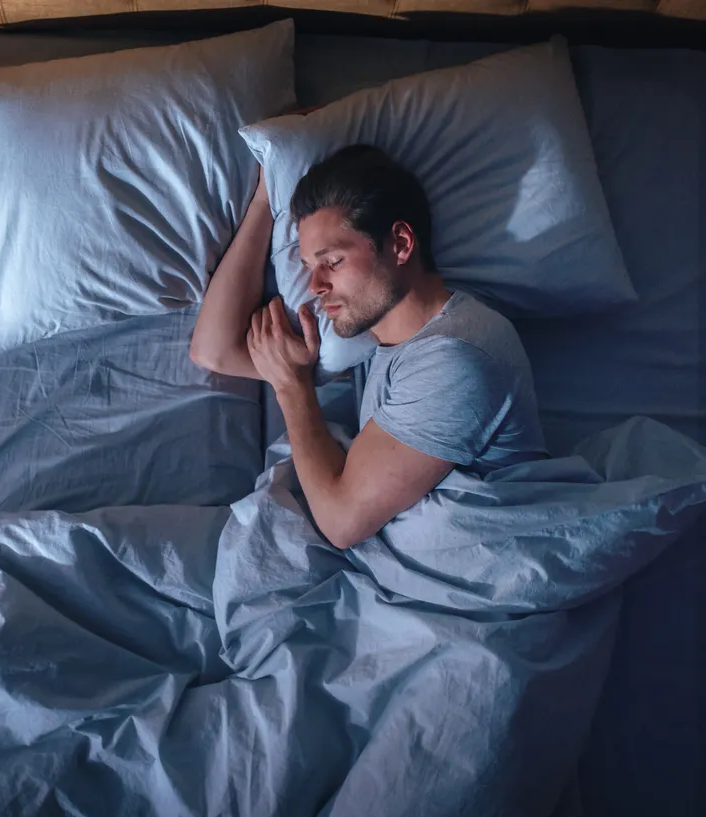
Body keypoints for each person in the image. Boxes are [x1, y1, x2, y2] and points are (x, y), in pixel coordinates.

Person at [190, 144, 547, 549]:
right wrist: (264, 199)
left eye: (333, 261)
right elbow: (212, 350)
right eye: (308, 266)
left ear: (400, 243)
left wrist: (292, 387)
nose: (315, 286)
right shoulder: (377, 337)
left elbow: (342, 524)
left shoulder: (456, 358)